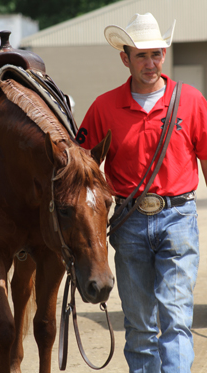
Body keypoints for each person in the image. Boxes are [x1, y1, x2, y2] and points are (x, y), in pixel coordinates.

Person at [76, 12, 207, 373]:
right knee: (140, 327)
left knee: (176, 319)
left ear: (164, 53)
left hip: (178, 219)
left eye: (157, 54)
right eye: (141, 56)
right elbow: (80, 170)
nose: (151, 63)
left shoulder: (192, 101)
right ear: (125, 58)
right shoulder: (103, 108)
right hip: (129, 224)